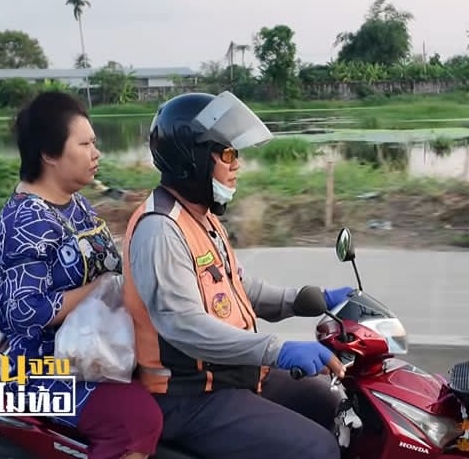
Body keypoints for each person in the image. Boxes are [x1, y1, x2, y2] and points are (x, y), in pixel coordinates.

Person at [120, 91, 356, 459]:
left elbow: (237, 289)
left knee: (333, 400)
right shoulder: (160, 230)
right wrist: (277, 350)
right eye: (228, 154)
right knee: (316, 450)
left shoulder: (201, 218)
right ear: (193, 158)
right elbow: (185, 326)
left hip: (231, 376)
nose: (237, 165)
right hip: (188, 396)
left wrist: (310, 300)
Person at [0, 91, 163, 459]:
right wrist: (98, 287)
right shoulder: (25, 221)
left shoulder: (76, 203)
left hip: (94, 350)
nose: (96, 153)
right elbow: (22, 312)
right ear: (49, 154)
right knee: (137, 421)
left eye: (94, 143)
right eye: (84, 144)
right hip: (44, 370)